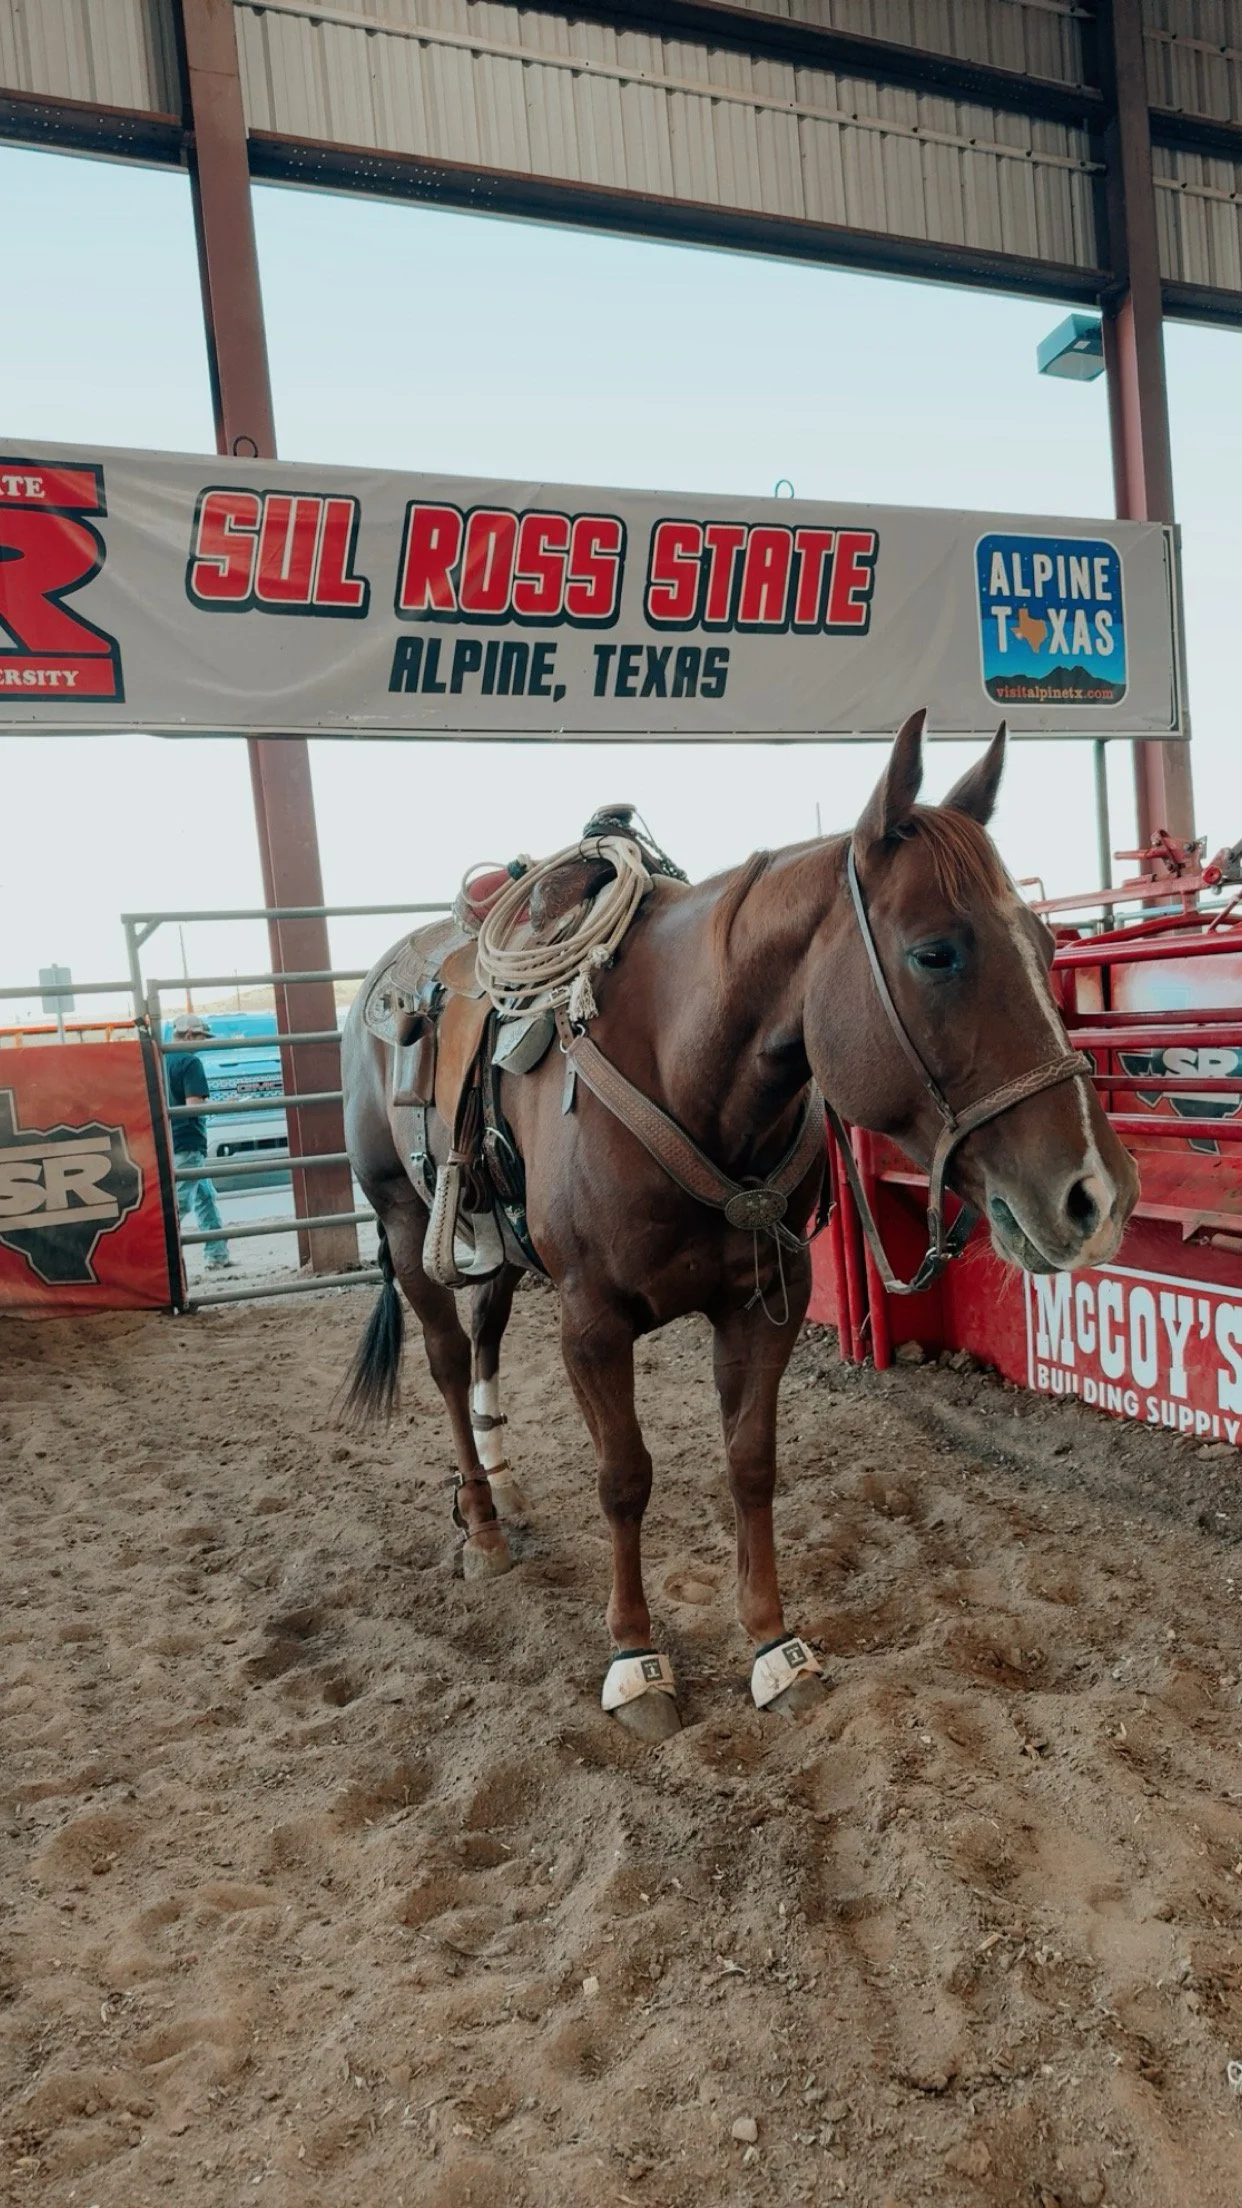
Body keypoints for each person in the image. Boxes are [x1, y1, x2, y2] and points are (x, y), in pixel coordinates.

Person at [166, 1012, 232, 1271]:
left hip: (170, 1139)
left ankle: (217, 1253)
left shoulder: (160, 1059)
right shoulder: (190, 1062)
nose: (204, 1043)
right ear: (190, 1035)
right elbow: (194, 1106)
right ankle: (163, 1260)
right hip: (188, 1141)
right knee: (180, 1205)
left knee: (205, 1196)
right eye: (203, 1037)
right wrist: (221, 1106)